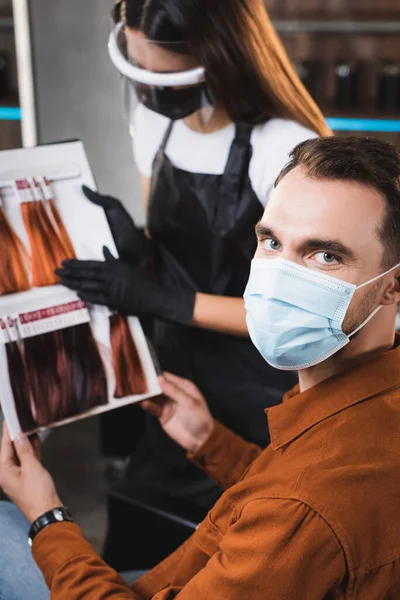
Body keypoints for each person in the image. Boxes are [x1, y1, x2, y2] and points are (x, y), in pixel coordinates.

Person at [2, 135, 400, 598]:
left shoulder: (305, 506)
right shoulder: (362, 407)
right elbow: (290, 487)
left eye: (325, 255)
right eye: (270, 241)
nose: (278, 277)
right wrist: (209, 441)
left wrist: (46, 514)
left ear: (393, 286)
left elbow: (300, 508)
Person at [55, 0, 331, 534]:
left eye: (163, 78)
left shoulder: (284, 147)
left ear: (218, 56)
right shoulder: (157, 122)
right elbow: (170, 249)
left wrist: (162, 299)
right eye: (139, 73)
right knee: (149, 535)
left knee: (250, 541)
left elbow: (304, 315)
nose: (150, 95)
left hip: (257, 394)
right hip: (178, 380)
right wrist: (138, 248)